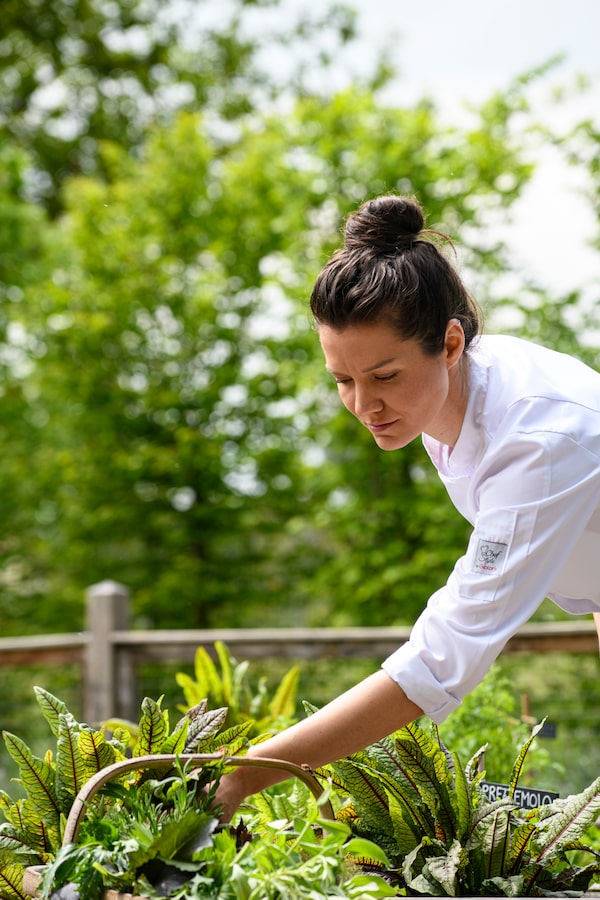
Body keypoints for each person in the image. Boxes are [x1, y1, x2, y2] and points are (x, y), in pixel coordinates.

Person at [215, 193, 600, 821]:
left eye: (385, 377)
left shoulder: (537, 439)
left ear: (449, 343)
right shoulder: (445, 400)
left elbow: (446, 655)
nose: (364, 405)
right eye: (343, 380)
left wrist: (247, 773)